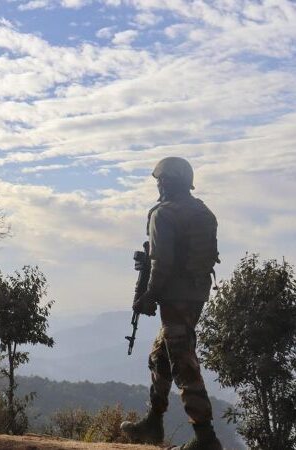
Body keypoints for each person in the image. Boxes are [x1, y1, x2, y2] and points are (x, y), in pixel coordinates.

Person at [121, 157, 222, 450]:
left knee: (182, 360)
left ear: (166, 182)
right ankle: (153, 423)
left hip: (175, 297)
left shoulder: (163, 214)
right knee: (161, 355)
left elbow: (162, 261)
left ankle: (206, 438)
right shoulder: (202, 211)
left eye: (159, 180)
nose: (158, 185)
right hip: (195, 295)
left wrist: (149, 295)